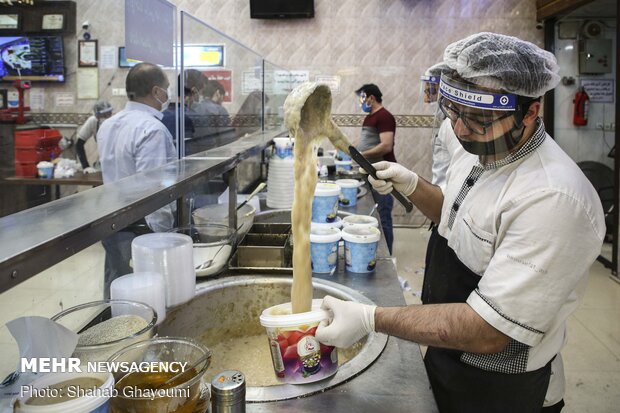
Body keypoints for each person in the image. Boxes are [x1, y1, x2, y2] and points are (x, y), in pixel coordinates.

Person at [316, 32, 606, 412]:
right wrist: (414, 184)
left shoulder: (553, 199)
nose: (460, 129)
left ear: (531, 112)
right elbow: (456, 219)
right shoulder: (474, 146)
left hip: (500, 379)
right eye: (453, 111)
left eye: (479, 119)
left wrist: (371, 318)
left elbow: (488, 331)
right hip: (448, 345)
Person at [97, 62, 177, 298]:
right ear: (156, 92)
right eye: (167, 88)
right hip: (141, 229)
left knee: (117, 292)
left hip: (112, 222)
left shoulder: (108, 125)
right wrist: (164, 236)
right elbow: (153, 192)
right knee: (144, 298)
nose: (168, 94)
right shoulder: (152, 129)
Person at [354, 83, 397, 254]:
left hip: (382, 173)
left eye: (363, 98)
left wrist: (362, 154)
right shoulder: (370, 117)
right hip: (371, 172)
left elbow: (386, 146)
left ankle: (387, 256)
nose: (361, 102)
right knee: (373, 216)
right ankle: (376, 251)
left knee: (383, 215)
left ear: (371, 98)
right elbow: (369, 141)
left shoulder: (385, 116)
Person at [162, 69, 204, 148]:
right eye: (201, 93)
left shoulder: (162, 115)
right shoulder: (193, 117)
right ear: (194, 91)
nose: (201, 97)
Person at [75, 100, 113, 173]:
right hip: (101, 163)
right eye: (103, 115)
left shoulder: (117, 122)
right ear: (97, 116)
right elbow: (79, 144)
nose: (107, 117)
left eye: (109, 114)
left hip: (117, 163)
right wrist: (85, 166)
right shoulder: (93, 121)